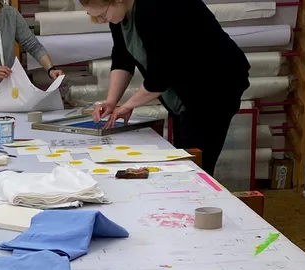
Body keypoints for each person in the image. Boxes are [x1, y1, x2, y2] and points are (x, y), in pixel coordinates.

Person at [82, 0, 250, 175]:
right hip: (184, 91)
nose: (101, 21)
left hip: (214, 87)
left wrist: (126, 106)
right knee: (184, 157)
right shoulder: (120, 15)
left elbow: (160, 76)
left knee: (194, 164)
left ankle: (196, 189)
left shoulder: (158, 8)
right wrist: (111, 101)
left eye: (102, 15)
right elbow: (122, 57)